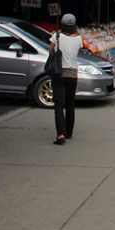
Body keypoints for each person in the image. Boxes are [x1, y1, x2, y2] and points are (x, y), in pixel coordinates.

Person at [49, 13, 82, 145]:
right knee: (70, 103)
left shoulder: (56, 37)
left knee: (58, 104)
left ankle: (60, 134)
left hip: (59, 74)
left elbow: (51, 53)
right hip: (73, 74)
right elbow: (77, 53)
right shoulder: (79, 39)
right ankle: (69, 131)